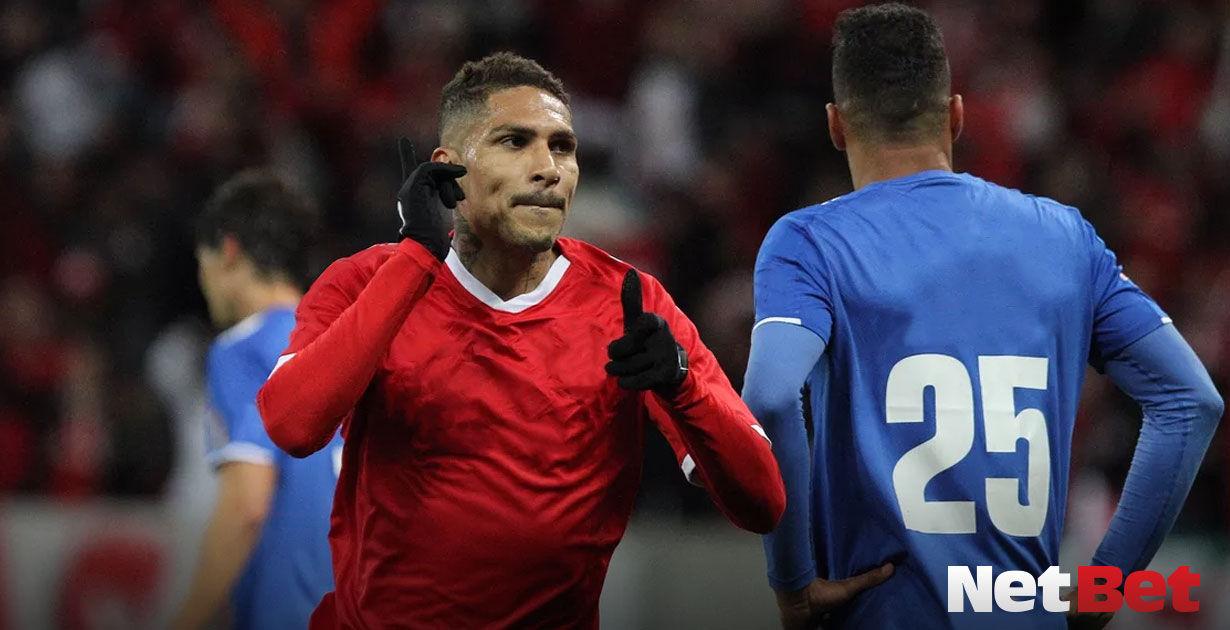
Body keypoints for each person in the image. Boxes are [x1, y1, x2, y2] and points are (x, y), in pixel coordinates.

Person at [256, 52, 786, 629]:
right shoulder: (365, 281)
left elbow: (763, 504)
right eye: (515, 142)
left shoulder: (632, 302)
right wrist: (415, 260)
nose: (549, 169)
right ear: (447, 168)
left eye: (562, 147)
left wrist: (682, 385)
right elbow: (293, 426)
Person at [742, 4, 1224, 630]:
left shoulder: (809, 242)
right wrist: (1107, 586)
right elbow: (1191, 401)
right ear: (957, 116)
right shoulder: (1066, 237)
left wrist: (793, 581)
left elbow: (773, 399)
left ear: (836, 126)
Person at [173, 171, 341, 630]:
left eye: (201, 263)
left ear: (228, 252)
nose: (203, 282)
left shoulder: (242, 350)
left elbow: (246, 504)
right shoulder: (349, 344)